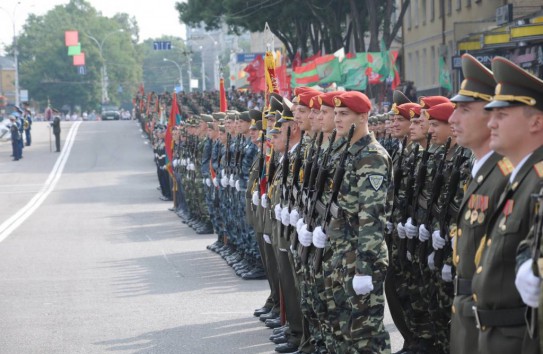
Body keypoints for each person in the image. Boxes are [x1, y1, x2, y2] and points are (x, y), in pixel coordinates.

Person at [471, 56, 543, 354]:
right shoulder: (518, 178)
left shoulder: (536, 179)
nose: (491, 123)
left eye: (502, 114)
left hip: (519, 336)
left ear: (536, 121)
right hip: (496, 332)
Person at [447, 53, 510, 354]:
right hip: (468, 315)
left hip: (488, 322)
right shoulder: (481, 172)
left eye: (464, 110)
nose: (452, 119)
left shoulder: (505, 177)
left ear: (490, 116)